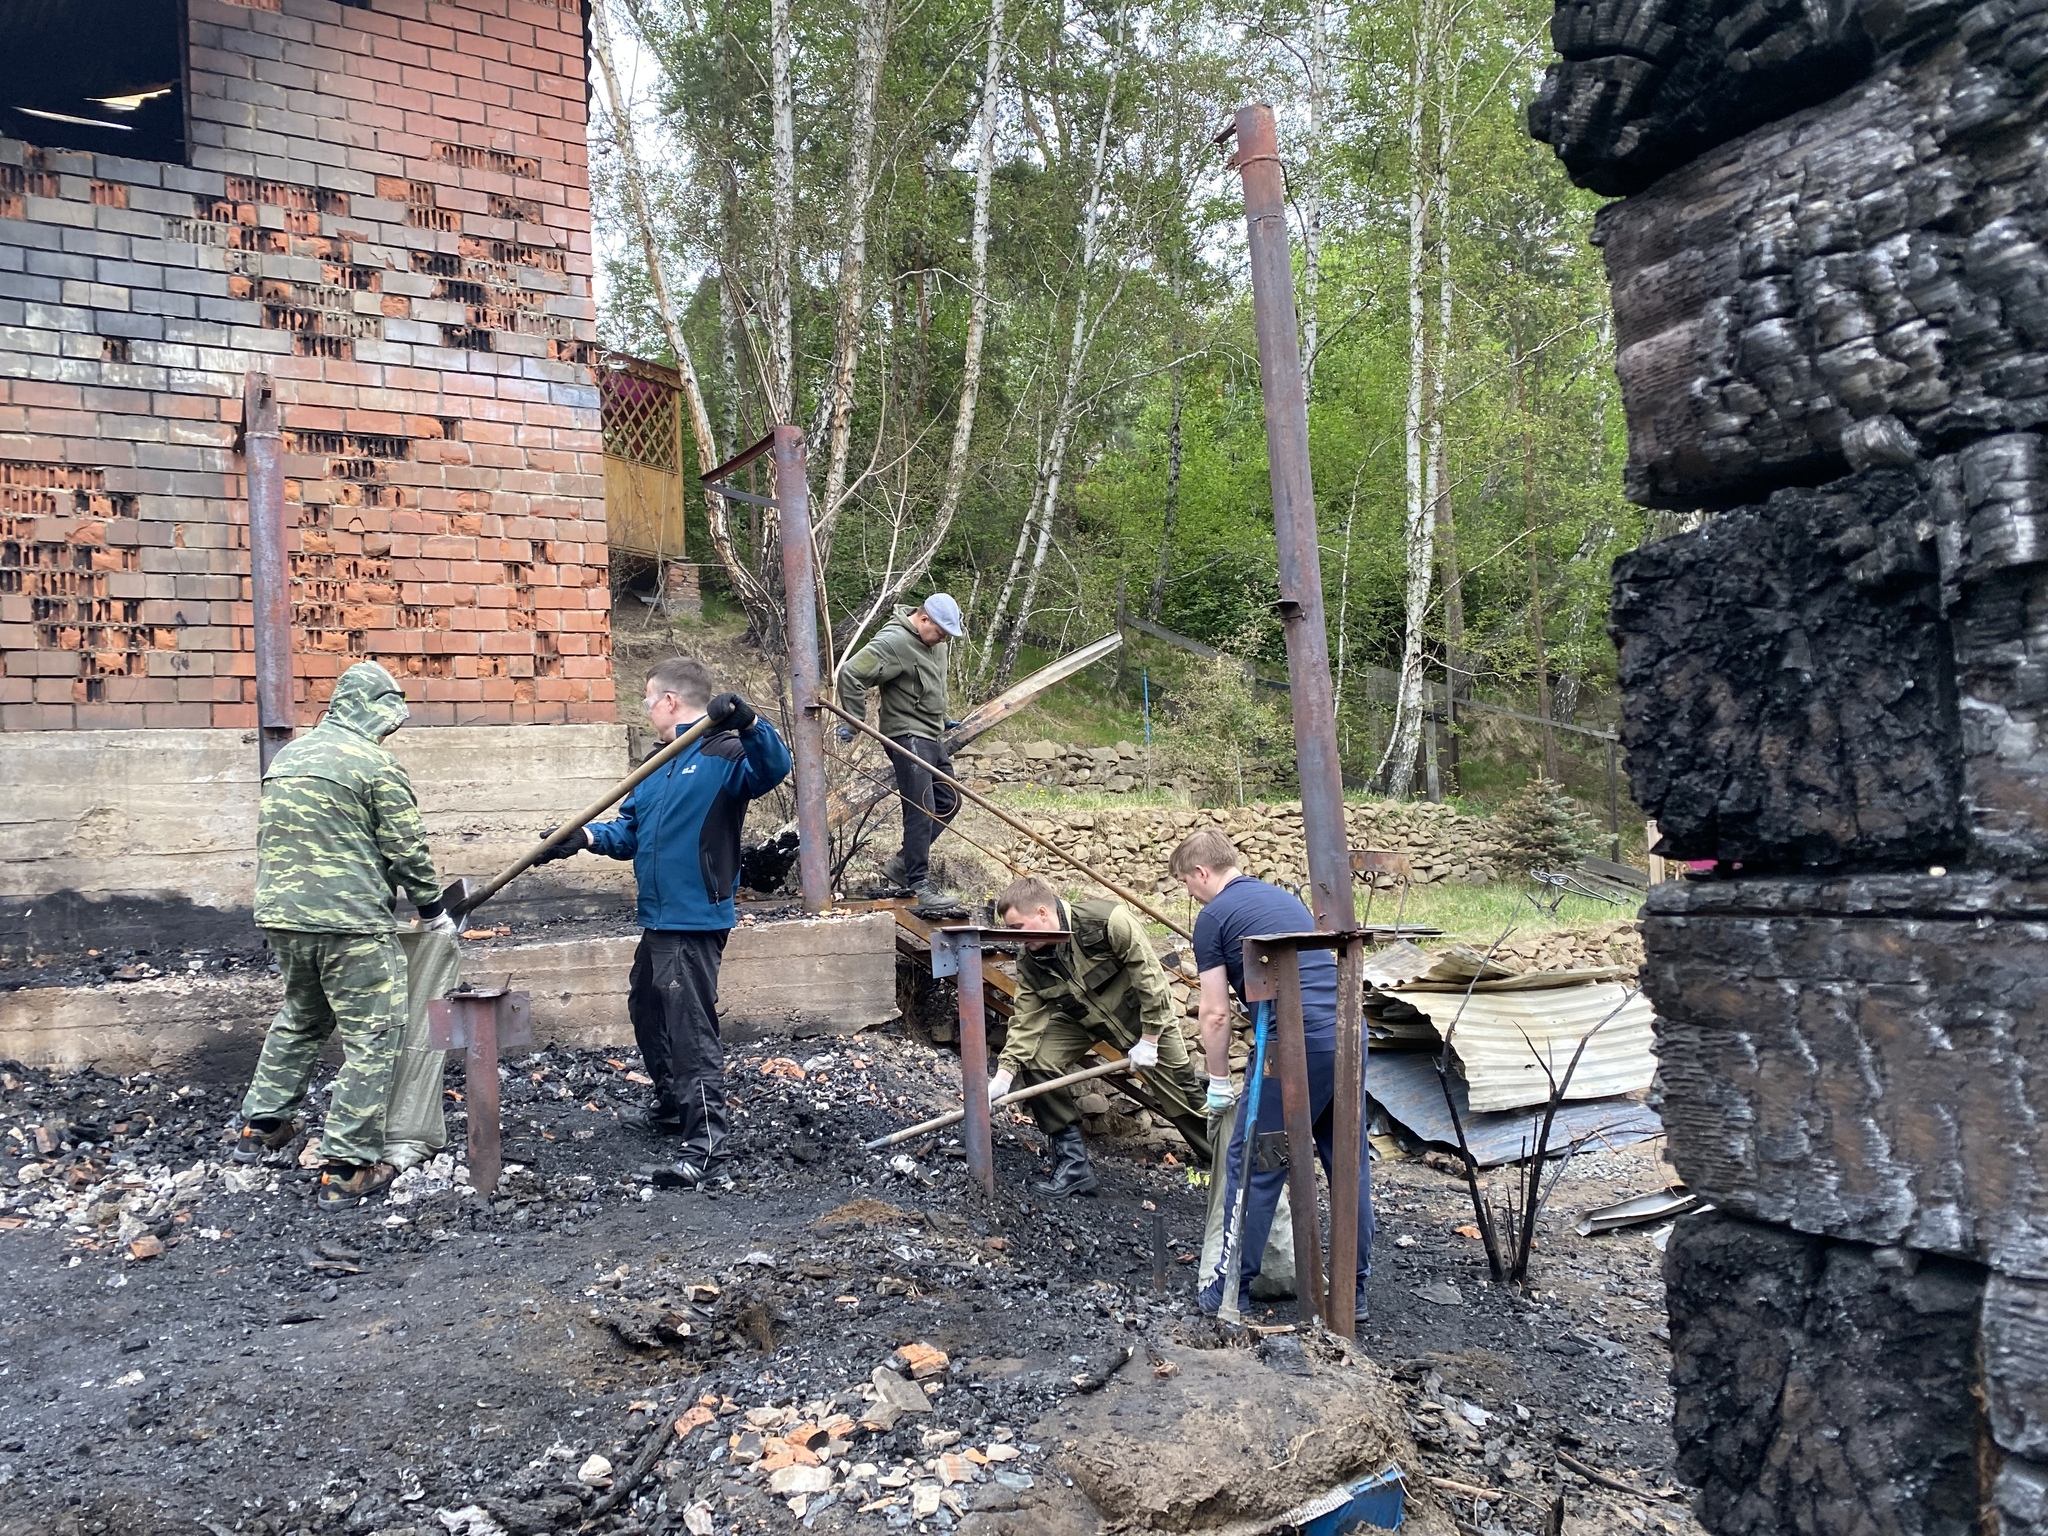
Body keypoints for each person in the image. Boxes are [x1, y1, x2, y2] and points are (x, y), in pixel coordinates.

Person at [536, 657, 790, 1187]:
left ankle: (706, 1143)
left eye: (649, 699)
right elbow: (628, 831)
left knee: (690, 1028)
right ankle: (673, 1107)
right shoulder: (655, 765)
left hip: (695, 916)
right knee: (647, 1009)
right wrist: (580, 839)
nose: (647, 709)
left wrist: (749, 722)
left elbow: (774, 769)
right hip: (657, 916)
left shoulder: (725, 752)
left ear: (670, 700)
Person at [236, 660, 454, 1210]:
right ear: (373, 713)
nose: (390, 730)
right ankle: (348, 1166)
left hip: (282, 916)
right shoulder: (375, 764)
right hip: (349, 923)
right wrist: (432, 912)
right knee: (372, 1035)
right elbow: (406, 848)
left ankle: (262, 1126)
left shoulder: (290, 757)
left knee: (302, 1017)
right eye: (387, 719)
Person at [1169, 827, 1373, 1316]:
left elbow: (1214, 1014)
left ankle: (1228, 1290)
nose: (1189, 894)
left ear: (1202, 872)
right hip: (1348, 1034)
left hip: (1295, 1047)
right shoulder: (1280, 899)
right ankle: (1354, 1292)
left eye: (1186, 883)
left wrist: (1218, 1083)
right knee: (1346, 1163)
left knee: (1255, 1163)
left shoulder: (1213, 917)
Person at [986, 876, 1213, 1197]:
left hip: (1141, 1018)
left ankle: (1229, 1164)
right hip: (1082, 1021)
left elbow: (1151, 981)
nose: (1017, 939)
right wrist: (1005, 1074)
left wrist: (1149, 1039)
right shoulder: (1030, 959)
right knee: (1037, 1059)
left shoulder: (1106, 922)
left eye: (1018, 928)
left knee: (1184, 1095)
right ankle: (1073, 1166)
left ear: (1041, 913)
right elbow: (1026, 1018)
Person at [834, 594, 965, 902]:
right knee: (922, 808)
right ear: (923, 619)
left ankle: (901, 865)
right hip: (906, 735)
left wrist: (943, 717)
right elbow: (852, 674)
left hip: (930, 734)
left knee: (950, 800)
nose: (943, 639)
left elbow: (930, 684)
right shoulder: (893, 642)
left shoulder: (936, 644)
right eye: (940, 632)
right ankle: (917, 884)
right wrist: (854, 721)